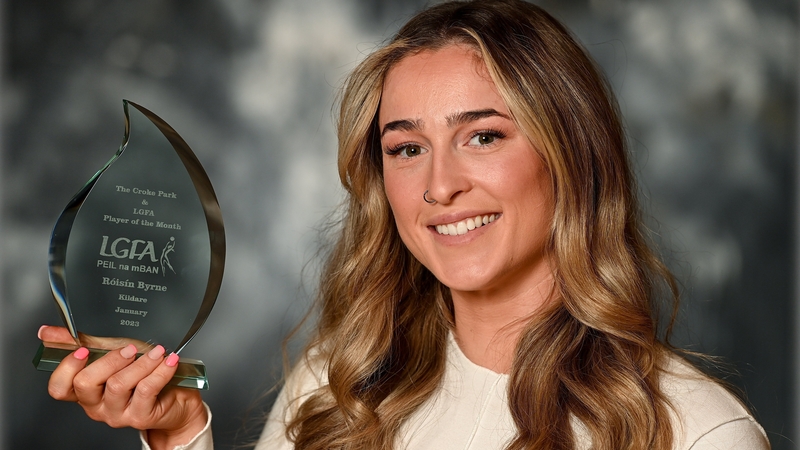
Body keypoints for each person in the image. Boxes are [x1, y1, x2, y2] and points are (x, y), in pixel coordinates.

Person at [41, 1, 770, 449]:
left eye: (483, 135)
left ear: (571, 154)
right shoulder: (340, 385)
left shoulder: (699, 433)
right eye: (406, 148)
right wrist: (175, 434)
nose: (440, 186)